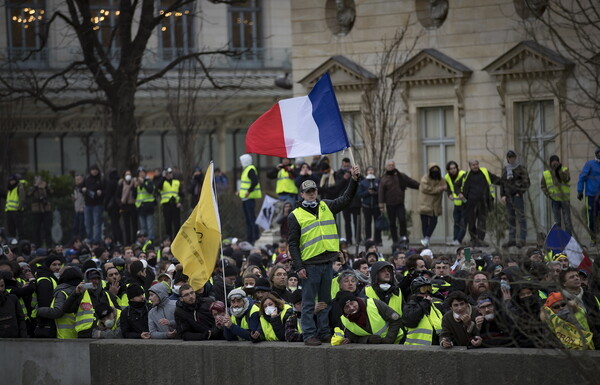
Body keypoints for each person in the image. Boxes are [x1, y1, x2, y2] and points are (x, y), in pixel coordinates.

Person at [288, 165, 361, 346]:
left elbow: (345, 199)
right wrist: (299, 267)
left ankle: (323, 333)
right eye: (308, 191)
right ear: (302, 194)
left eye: (313, 190)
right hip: (310, 265)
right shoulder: (295, 215)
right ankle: (309, 335)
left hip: (327, 262)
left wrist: (353, 180)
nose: (311, 194)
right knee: (308, 303)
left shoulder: (326, 206)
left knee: (325, 302)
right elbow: (293, 244)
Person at [62, 268, 118, 338]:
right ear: (86, 280)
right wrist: (75, 294)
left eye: (97, 279)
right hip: (85, 334)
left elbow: (118, 312)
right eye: (91, 279)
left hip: (106, 333)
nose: (94, 281)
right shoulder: (80, 294)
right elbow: (66, 309)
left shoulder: (107, 294)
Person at [457, 160, 500, 247]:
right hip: (470, 203)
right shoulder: (466, 175)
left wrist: (506, 181)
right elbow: (456, 185)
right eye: (473, 165)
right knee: (471, 222)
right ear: (470, 166)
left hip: (483, 202)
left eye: (476, 164)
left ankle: (480, 240)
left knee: (482, 221)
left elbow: (496, 179)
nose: (475, 166)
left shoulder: (484, 172)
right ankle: (473, 239)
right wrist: (459, 193)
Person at [335, 291, 404, 344]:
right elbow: (353, 338)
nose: (351, 307)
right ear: (343, 311)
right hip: (374, 350)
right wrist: (367, 339)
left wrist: (389, 339)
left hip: (397, 341)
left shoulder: (374, 303)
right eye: (347, 307)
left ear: (356, 300)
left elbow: (396, 320)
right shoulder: (344, 321)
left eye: (352, 303)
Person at [378, 160, 419, 244]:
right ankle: (395, 240)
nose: (391, 166)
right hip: (390, 204)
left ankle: (403, 237)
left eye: (392, 165)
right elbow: (381, 192)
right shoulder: (384, 178)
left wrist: (422, 187)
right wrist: (381, 205)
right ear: (386, 167)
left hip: (400, 203)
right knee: (392, 223)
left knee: (402, 220)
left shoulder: (401, 176)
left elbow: (411, 182)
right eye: (389, 165)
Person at [35, 267, 82, 339]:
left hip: (64, 334)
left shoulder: (62, 292)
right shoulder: (81, 291)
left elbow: (57, 311)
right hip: (78, 332)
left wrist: (38, 310)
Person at [500, 151, 531, 248]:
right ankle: (512, 239)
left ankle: (522, 239)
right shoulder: (505, 169)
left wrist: (520, 192)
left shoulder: (521, 169)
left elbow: (526, 183)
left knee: (521, 218)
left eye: (513, 157)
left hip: (517, 196)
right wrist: (502, 195)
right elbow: (502, 183)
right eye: (509, 158)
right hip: (508, 197)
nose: (511, 159)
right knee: (510, 218)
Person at [402, 277, 443, 346]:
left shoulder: (434, 308)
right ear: (416, 291)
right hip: (414, 349)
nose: (427, 292)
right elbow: (410, 321)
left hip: (434, 349)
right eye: (423, 289)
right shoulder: (410, 306)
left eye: (429, 289)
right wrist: (424, 303)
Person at [418, 163, 447, 247]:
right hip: (425, 204)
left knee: (434, 222)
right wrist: (439, 189)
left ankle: (426, 238)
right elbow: (426, 189)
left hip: (435, 205)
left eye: (436, 170)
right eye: (433, 170)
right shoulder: (425, 179)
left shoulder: (441, 179)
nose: (435, 172)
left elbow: (445, 186)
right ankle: (426, 239)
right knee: (425, 223)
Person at [577, 148, 600, 245]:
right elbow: (582, 177)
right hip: (591, 195)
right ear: (596, 154)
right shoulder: (590, 164)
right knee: (591, 217)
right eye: (598, 153)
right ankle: (593, 239)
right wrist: (580, 191)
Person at [238, 154, 262, 245]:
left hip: (249, 198)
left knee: (251, 219)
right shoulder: (246, 169)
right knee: (248, 219)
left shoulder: (250, 169)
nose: (240, 163)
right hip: (245, 198)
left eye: (241, 161)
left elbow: (255, 181)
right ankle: (249, 238)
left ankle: (254, 237)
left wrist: (249, 191)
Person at [156, 167, 184, 239]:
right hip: (166, 205)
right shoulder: (162, 182)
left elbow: (182, 194)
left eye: (170, 173)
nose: (169, 174)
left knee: (177, 224)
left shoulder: (177, 182)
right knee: (168, 224)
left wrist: (180, 202)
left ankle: (177, 240)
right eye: (167, 173)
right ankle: (169, 240)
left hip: (175, 205)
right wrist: (163, 177)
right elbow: (158, 187)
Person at [445, 161, 467, 246]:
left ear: (457, 168)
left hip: (465, 202)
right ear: (448, 170)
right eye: (451, 169)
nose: (453, 170)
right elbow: (448, 188)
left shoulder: (463, 174)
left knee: (463, 223)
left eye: (454, 168)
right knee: (456, 223)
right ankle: (455, 240)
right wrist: (449, 194)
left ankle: (458, 239)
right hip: (456, 203)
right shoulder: (447, 177)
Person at [358, 166, 382, 245]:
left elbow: (381, 192)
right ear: (366, 172)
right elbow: (359, 194)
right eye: (369, 170)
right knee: (367, 223)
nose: (371, 172)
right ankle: (368, 239)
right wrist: (368, 192)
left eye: (372, 170)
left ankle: (378, 240)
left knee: (377, 223)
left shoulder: (378, 181)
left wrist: (375, 193)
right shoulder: (363, 182)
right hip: (366, 206)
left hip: (375, 206)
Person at [28, 176, 53, 248]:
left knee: (47, 229)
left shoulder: (45, 187)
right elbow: (29, 194)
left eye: (40, 180)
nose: (38, 182)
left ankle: (49, 246)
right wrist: (35, 187)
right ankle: (37, 245)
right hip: (36, 211)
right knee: (36, 229)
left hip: (46, 210)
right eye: (37, 180)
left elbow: (51, 192)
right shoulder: (33, 188)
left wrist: (46, 186)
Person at [82, 164, 105, 243]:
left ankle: (97, 239)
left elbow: (105, 190)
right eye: (92, 169)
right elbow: (81, 187)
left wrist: (101, 192)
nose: (94, 171)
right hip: (88, 204)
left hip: (97, 204)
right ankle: (89, 238)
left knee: (97, 222)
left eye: (96, 169)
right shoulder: (87, 179)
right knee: (88, 223)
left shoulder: (101, 179)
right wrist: (83, 190)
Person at [117, 170, 138, 245]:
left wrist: (134, 187)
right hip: (124, 206)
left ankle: (134, 240)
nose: (128, 176)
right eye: (127, 174)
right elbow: (118, 195)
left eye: (129, 174)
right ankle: (127, 242)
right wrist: (120, 204)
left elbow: (135, 195)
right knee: (126, 226)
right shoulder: (121, 184)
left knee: (134, 224)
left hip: (132, 206)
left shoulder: (134, 183)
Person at [134, 167, 155, 241]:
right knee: (143, 226)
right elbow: (134, 195)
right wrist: (135, 187)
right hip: (140, 207)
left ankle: (150, 240)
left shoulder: (149, 181)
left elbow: (150, 190)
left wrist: (143, 183)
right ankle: (144, 240)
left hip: (148, 206)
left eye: (142, 172)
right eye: (140, 173)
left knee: (150, 225)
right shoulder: (137, 183)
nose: (141, 174)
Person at [3, 174, 26, 239]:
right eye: (10, 180)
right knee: (11, 229)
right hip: (9, 211)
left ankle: (21, 242)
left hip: (16, 211)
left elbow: (22, 199)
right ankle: (12, 243)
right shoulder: (10, 189)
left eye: (13, 180)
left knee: (20, 229)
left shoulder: (18, 187)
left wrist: (19, 208)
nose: (11, 182)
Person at [104, 169, 123, 245]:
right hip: (119, 206)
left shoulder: (110, 183)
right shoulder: (119, 183)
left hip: (112, 206)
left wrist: (106, 206)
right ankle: (120, 239)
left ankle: (116, 239)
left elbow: (108, 196)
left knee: (114, 224)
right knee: (117, 223)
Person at [72, 174, 86, 240]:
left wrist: (83, 207)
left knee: (81, 227)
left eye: (79, 179)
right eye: (76, 180)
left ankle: (81, 240)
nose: (77, 181)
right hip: (76, 210)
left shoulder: (83, 188)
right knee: (75, 227)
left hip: (82, 209)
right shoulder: (76, 188)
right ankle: (75, 240)